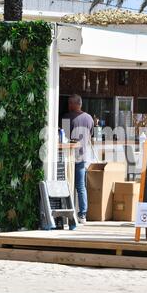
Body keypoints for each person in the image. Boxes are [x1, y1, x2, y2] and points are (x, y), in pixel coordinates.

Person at [62, 94, 94, 224]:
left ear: (76, 104)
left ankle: (65, 212)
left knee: (66, 183)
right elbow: (90, 135)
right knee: (81, 186)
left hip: (68, 156)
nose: (69, 105)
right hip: (83, 155)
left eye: (70, 103)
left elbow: (63, 138)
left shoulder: (66, 117)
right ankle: (82, 215)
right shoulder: (89, 118)